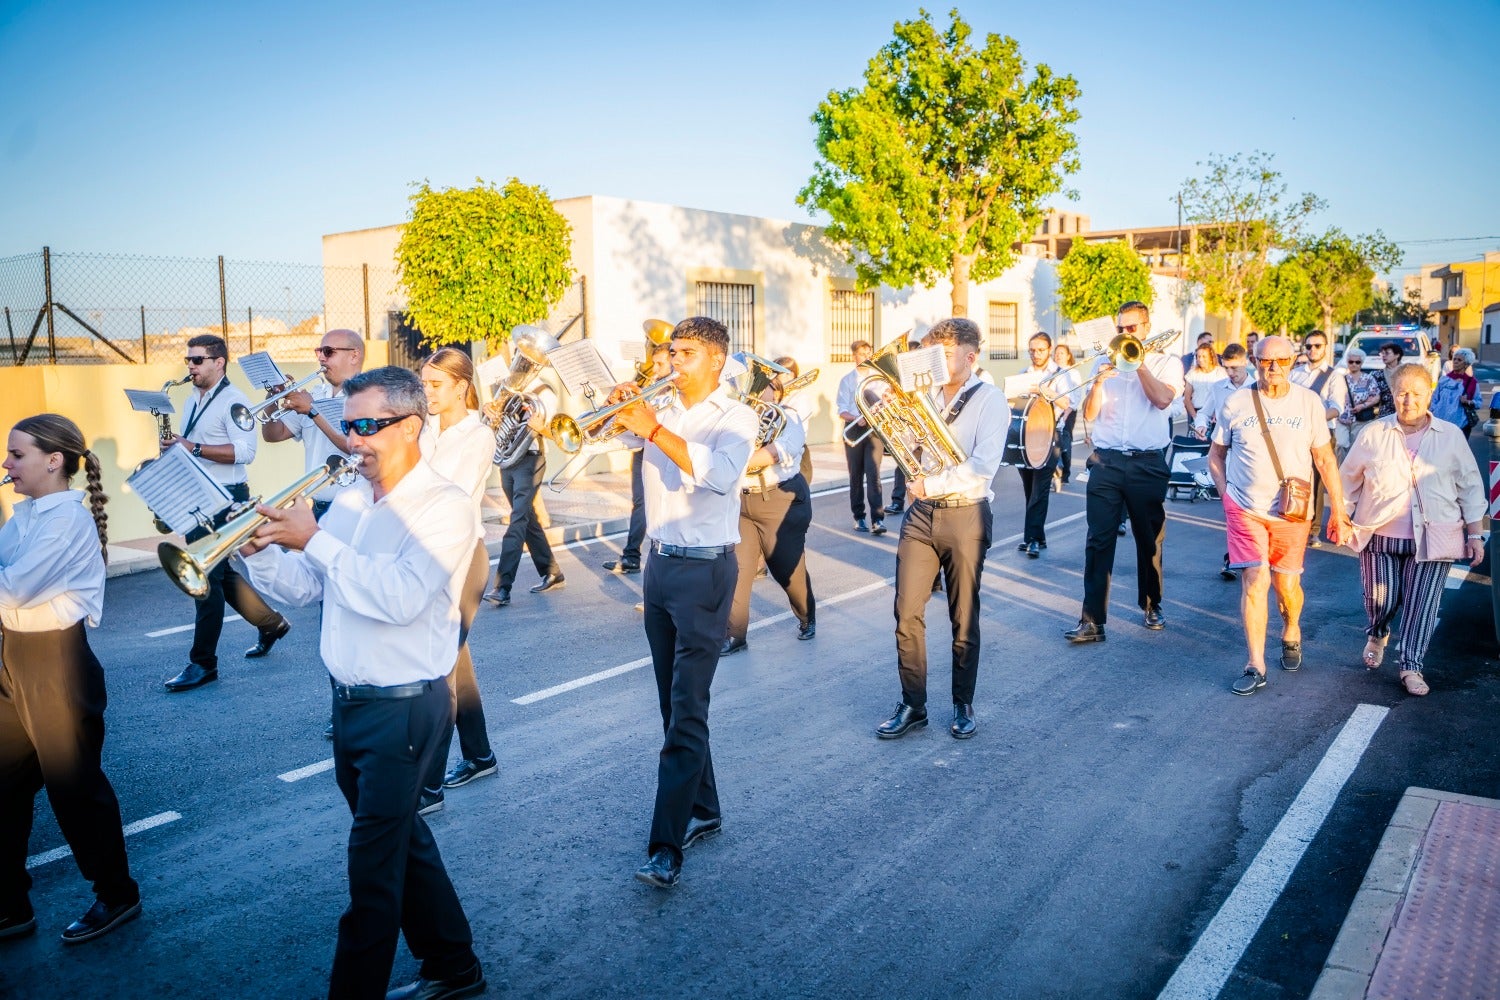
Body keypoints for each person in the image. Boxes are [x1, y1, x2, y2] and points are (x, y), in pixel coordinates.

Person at [237, 367, 485, 999]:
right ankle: (455, 964)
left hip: (405, 709)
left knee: (372, 875)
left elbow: (401, 598)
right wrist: (261, 553)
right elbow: (307, 589)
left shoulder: (444, 505)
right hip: (350, 704)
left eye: (368, 426)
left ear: (412, 426)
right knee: (402, 841)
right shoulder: (350, 501)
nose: (353, 440)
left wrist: (315, 540)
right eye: (349, 426)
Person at [604, 316, 757, 890]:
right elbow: (613, 436)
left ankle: (665, 846)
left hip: (706, 571)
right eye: (671, 352)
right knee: (674, 706)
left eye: (686, 353)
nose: (673, 362)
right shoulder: (661, 407)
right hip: (660, 566)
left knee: (688, 707)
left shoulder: (736, 416)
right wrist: (620, 409)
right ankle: (706, 808)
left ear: (717, 359)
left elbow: (718, 475)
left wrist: (653, 428)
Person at [0, 415, 141, 945]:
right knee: (4, 784)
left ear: (53, 460)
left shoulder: (65, 521)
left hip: (56, 661)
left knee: (73, 788)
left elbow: (12, 590)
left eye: (17, 454)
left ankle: (118, 894)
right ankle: (10, 904)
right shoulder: (28, 515)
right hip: (16, 655)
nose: (7, 464)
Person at [875, 317, 1005, 741]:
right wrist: (894, 418)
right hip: (921, 516)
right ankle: (913, 704)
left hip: (966, 515)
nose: (935, 363)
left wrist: (930, 485)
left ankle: (963, 703)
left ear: (970, 357)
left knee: (963, 616)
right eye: (933, 354)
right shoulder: (924, 394)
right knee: (906, 613)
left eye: (945, 355)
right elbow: (911, 449)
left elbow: (982, 466)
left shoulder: (991, 400)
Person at [1208, 337, 1351, 696]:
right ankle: (1255, 664)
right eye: (1265, 361)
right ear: (1255, 361)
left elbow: (1324, 459)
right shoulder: (1236, 402)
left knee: (1286, 586)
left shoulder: (1308, 402)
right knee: (1255, 579)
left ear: (1292, 361)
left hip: (1292, 511)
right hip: (1245, 509)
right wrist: (1226, 496)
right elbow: (1216, 455)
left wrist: (1339, 509)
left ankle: (1291, 629)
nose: (1273, 368)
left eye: (1281, 361)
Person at [1340, 363, 1486, 697]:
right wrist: (1343, 519)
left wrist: (1476, 534)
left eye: (1417, 393)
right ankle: (1378, 633)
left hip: (1435, 538)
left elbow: (1470, 487)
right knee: (1380, 599)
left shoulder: (1450, 436)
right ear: (1392, 394)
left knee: (1423, 605)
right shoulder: (1374, 433)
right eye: (1402, 393)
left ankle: (1411, 666)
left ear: (1429, 395)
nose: (1409, 401)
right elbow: (1348, 480)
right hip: (1379, 534)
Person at [162, 335, 290, 693]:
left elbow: (246, 452)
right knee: (220, 574)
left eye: (198, 360)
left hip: (225, 498)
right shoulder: (191, 399)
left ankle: (203, 663)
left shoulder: (234, 401)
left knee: (204, 578)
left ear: (219, 362)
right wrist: (179, 450)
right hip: (198, 494)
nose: (191, 366)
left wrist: (193, 447)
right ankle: (270, 624)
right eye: (188, 360)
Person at [1064, 302, 1184, 644]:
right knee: (1098, 539)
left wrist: (1138, 363)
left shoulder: (1167, 363)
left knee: (1149, 538)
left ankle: (1152, 604)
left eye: (1131, 328)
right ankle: (1092, 621)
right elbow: (1090, 414)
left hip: (1147, 461)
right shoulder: (1104, 362)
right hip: (1107, 461)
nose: (1124, 333)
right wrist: (1098, 383)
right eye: (1120, 328)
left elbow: (1162, 400)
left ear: (1146, 328)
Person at [419, 349, 501, 815]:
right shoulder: (424, 428)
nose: (426, 392)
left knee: (437, 669)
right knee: (454, 662)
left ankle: (428, 786)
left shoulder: (477, 436)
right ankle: (480, 756)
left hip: (462, 558)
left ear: (461, 386)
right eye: (424, 383)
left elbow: (442, 492)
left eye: (435, 385)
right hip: (427, 556)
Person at [721, 362, 816, 655]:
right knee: (738, 570)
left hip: (779, 500)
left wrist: (736, 460)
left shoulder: (789, 418)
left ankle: (806, 616)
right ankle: (735, 635)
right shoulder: (734, 422)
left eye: (764, 389)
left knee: (786, 568)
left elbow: (779, 452)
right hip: (742, 501)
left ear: (776, 393)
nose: (754, 395)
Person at [483, 343, 564, 607]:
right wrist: (489, 411)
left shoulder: (544, 392)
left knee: (517, 520)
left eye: (526, 357)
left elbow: (554, 430)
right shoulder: (507, 387)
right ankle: (552, 571)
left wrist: (539, 425)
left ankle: (502, 586)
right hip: (508, 459)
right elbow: (496, 422)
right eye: (520, 355)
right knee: (527, 519)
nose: (521, 361)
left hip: (530, 459)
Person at [260, 329, 363, 520]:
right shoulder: (316, 394)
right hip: (316, 505)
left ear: (354, 355)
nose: (321, 358)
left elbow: (357, 446)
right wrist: (272, 398)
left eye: (328, 351)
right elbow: (273, 434)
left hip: (352, 507)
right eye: (319, 351)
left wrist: (312, 410)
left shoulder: (366, 396)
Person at [606, 342, 672, 575]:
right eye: (654, 364)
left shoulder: (674, 394)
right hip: (641, 449)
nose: (655, 369)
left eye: (660, 364)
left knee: (653, 503)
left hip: (662, 450)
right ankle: (632, 556)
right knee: (640, 503)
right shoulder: (653, 388)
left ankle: (646, 558)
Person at [1013, 332, 1075, 558]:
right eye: (1032, 350)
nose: (1036, 354)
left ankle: (1031, 539)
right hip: (1026, 437)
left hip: (1050, 436)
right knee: (1029, 490)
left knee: (1040, 490)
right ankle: (1038, 536)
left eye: (1040, 350)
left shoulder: (1060, 374)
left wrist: (1044, 390)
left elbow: (1068, 403)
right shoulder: (1023, 373)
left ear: (1049, 349)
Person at [1289, 331, 1343, 546]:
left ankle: (1313, 530)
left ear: (1325, 347)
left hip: (1321, 432)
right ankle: (1293, 521)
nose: (1313, 350)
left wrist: (1312, 420)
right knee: (1294, 478)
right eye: (1309, 346)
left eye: (1317, 346)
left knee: (1318, 483)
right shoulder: (1295, 374)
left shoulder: (1334, 376)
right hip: (1295, 432)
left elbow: (1336, 408)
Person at [837, 340, 887, 535]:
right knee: (855, 475)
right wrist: (856, 418)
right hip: (854, 428)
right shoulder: (847, 380)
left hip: (874, 428)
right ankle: (859, 517)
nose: (867, 357)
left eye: (869, 353)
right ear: (854, 356)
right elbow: (842, 410)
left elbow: (884, 401)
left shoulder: (878, 378)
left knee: (874, 474)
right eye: (862, 354)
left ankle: (878, 519)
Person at [1335, 348, 1381, 451]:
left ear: (1361, 363)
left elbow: (1376, 396)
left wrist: (1363, 406)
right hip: (1342, 418)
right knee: (1341, 444)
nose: (1354, 364)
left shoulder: (1368, 379)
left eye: (1357, 362)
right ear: (1347, 362)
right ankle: (1342, 462)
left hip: (1361, 419)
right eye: (1351, 362)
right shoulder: (1340, 379)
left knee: (1357, 447)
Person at [1052, 343, 1085, 485]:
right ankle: (1054, 470)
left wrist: (1065, 415)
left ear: (1068, 356)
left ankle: (1065, 472)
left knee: (1065, 442)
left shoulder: (1073, 373)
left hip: (1068, 412)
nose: (1058, 356)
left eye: (1062, 353)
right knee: (1052, 442)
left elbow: (1075, 396)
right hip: (1053, 412)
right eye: (1056, 353)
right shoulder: (1052, 372)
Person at [1431, 346, 1478, 435]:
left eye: (1459, 360)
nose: (1455, 361)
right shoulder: (1443, 380)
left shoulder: (1471, 383)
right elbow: (1435, 398)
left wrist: (1468, 402)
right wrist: (1433, 411)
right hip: (1441, 424)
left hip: (1461, 425)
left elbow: (1478, 402)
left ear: (1466, 364)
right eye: (1454, 359)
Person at [1182, 342, 1225, 431]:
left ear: (1211, 357)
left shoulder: (1221, 373)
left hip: (1215, 415)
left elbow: (1224, 395)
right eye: (1198, 356)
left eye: (1204, 356)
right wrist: (1196, 418)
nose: (1200, 359)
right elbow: (1187, 399)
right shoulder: (1192, 373)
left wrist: (1217, 413)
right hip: (1196, 412)